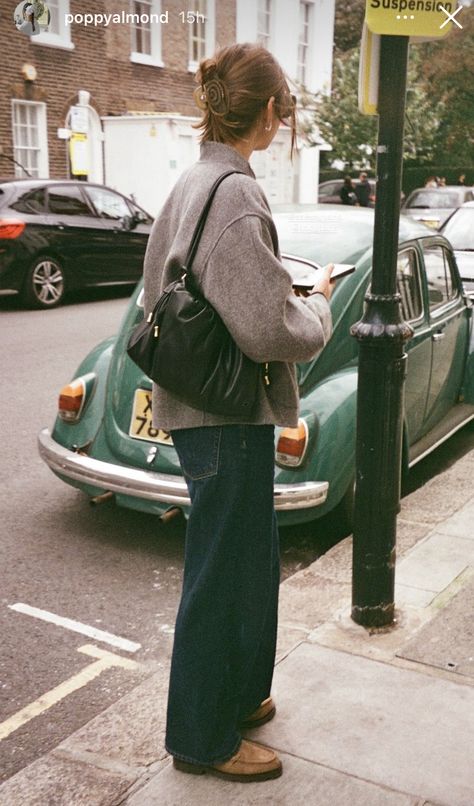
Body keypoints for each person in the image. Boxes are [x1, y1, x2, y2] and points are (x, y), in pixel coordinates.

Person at [143, 43, 333, 783]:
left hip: (202, 405)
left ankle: (239, 693)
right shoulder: (237, 192)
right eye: (284, 107)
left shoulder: (196, 178)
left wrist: (272, 283)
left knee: (245, 562)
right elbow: (266, 330)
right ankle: (200, 738)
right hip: (226, 415)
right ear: (272, 114)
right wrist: (312, 304)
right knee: (221, 575)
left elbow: (176, 274)